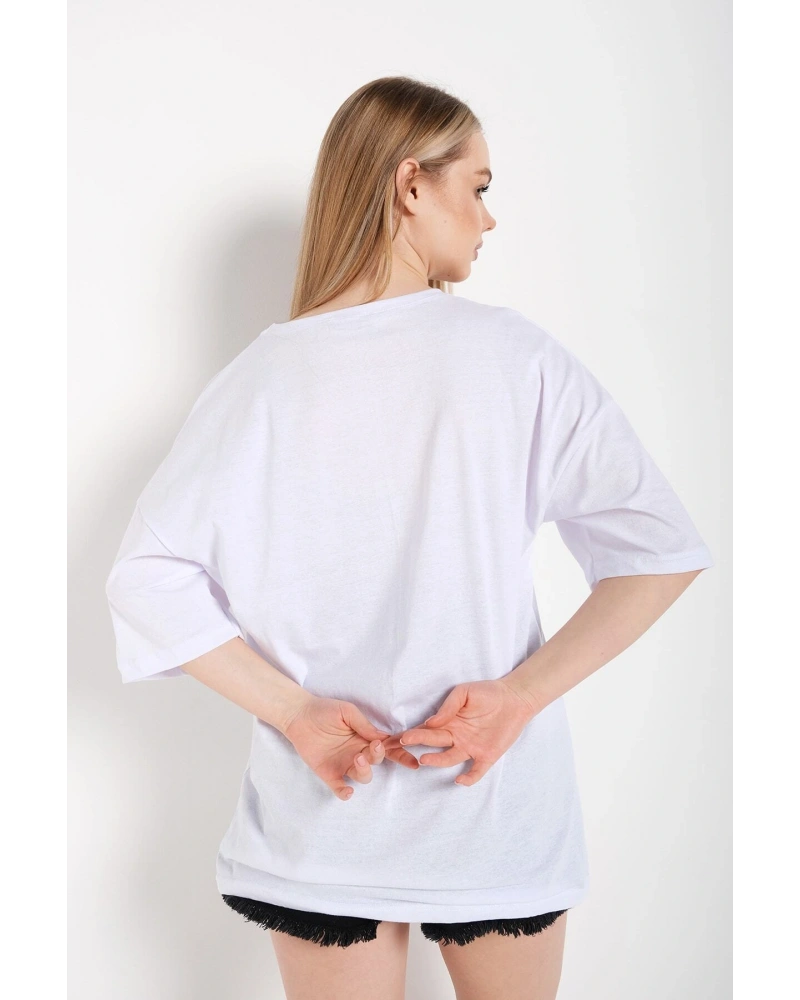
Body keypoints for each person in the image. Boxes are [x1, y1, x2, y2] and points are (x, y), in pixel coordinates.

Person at [104, 76, 714, 1000]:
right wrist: (517, 699)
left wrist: (295, 713)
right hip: (492, 801)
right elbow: (659, 551)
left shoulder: (260, 379)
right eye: (478, 186)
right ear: (411, 184)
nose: (489, 218)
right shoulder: (517, 359)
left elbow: (146, 578)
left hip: (323, 811)